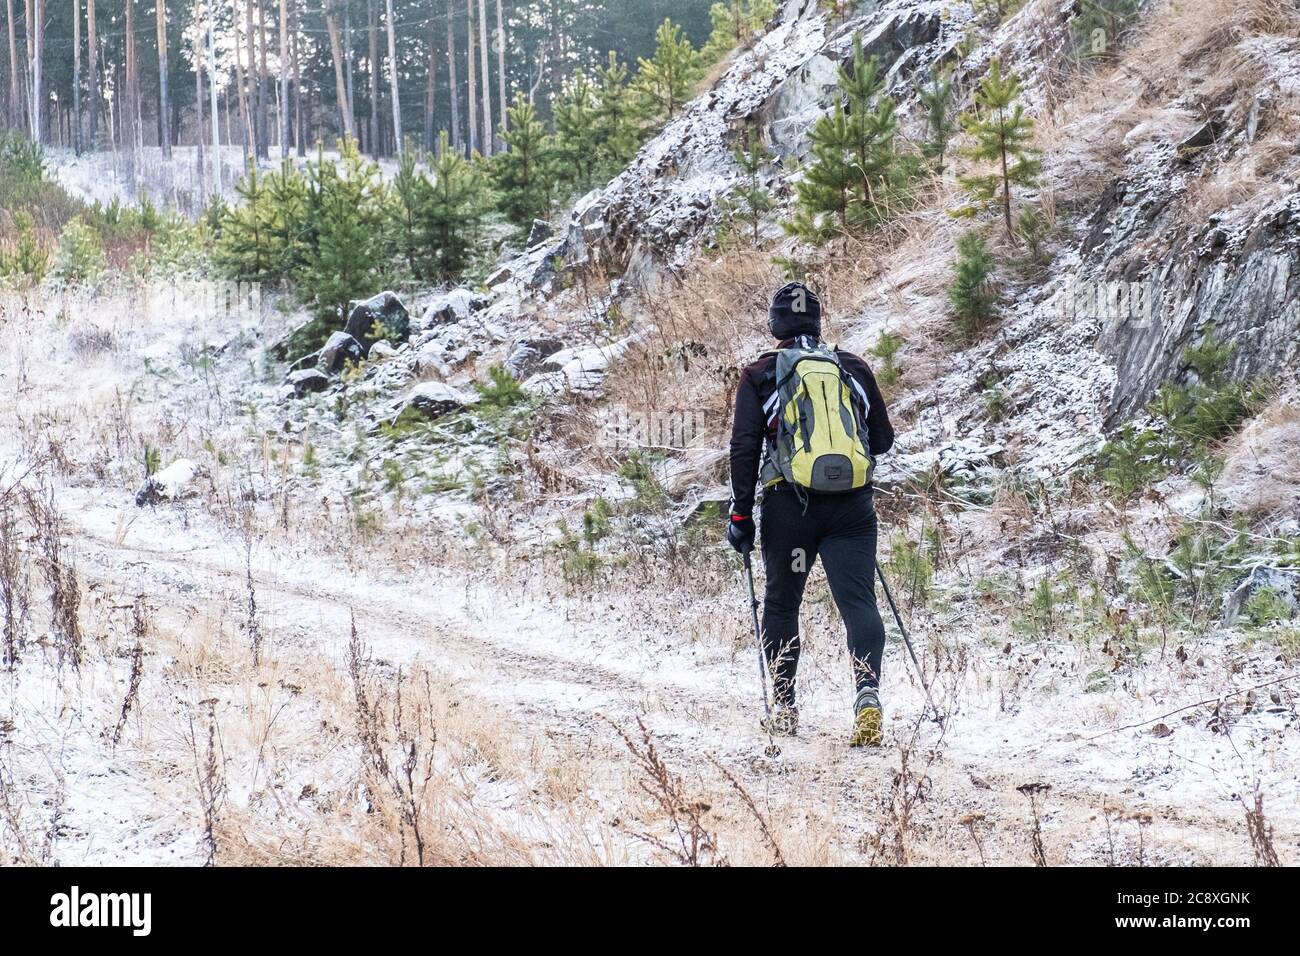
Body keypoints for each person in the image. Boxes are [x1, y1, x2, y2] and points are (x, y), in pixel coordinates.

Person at [726, 282, 895, 746]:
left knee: (783, 602)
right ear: (819, 324)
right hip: (851, 511)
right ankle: (867, 695)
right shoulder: (852, 367)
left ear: (775, 325)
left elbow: (744, 448)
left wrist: (741, 514)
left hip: (790, 509)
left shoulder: (761, 372)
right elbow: (881, 440)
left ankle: (784, 707)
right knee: (858, 602)